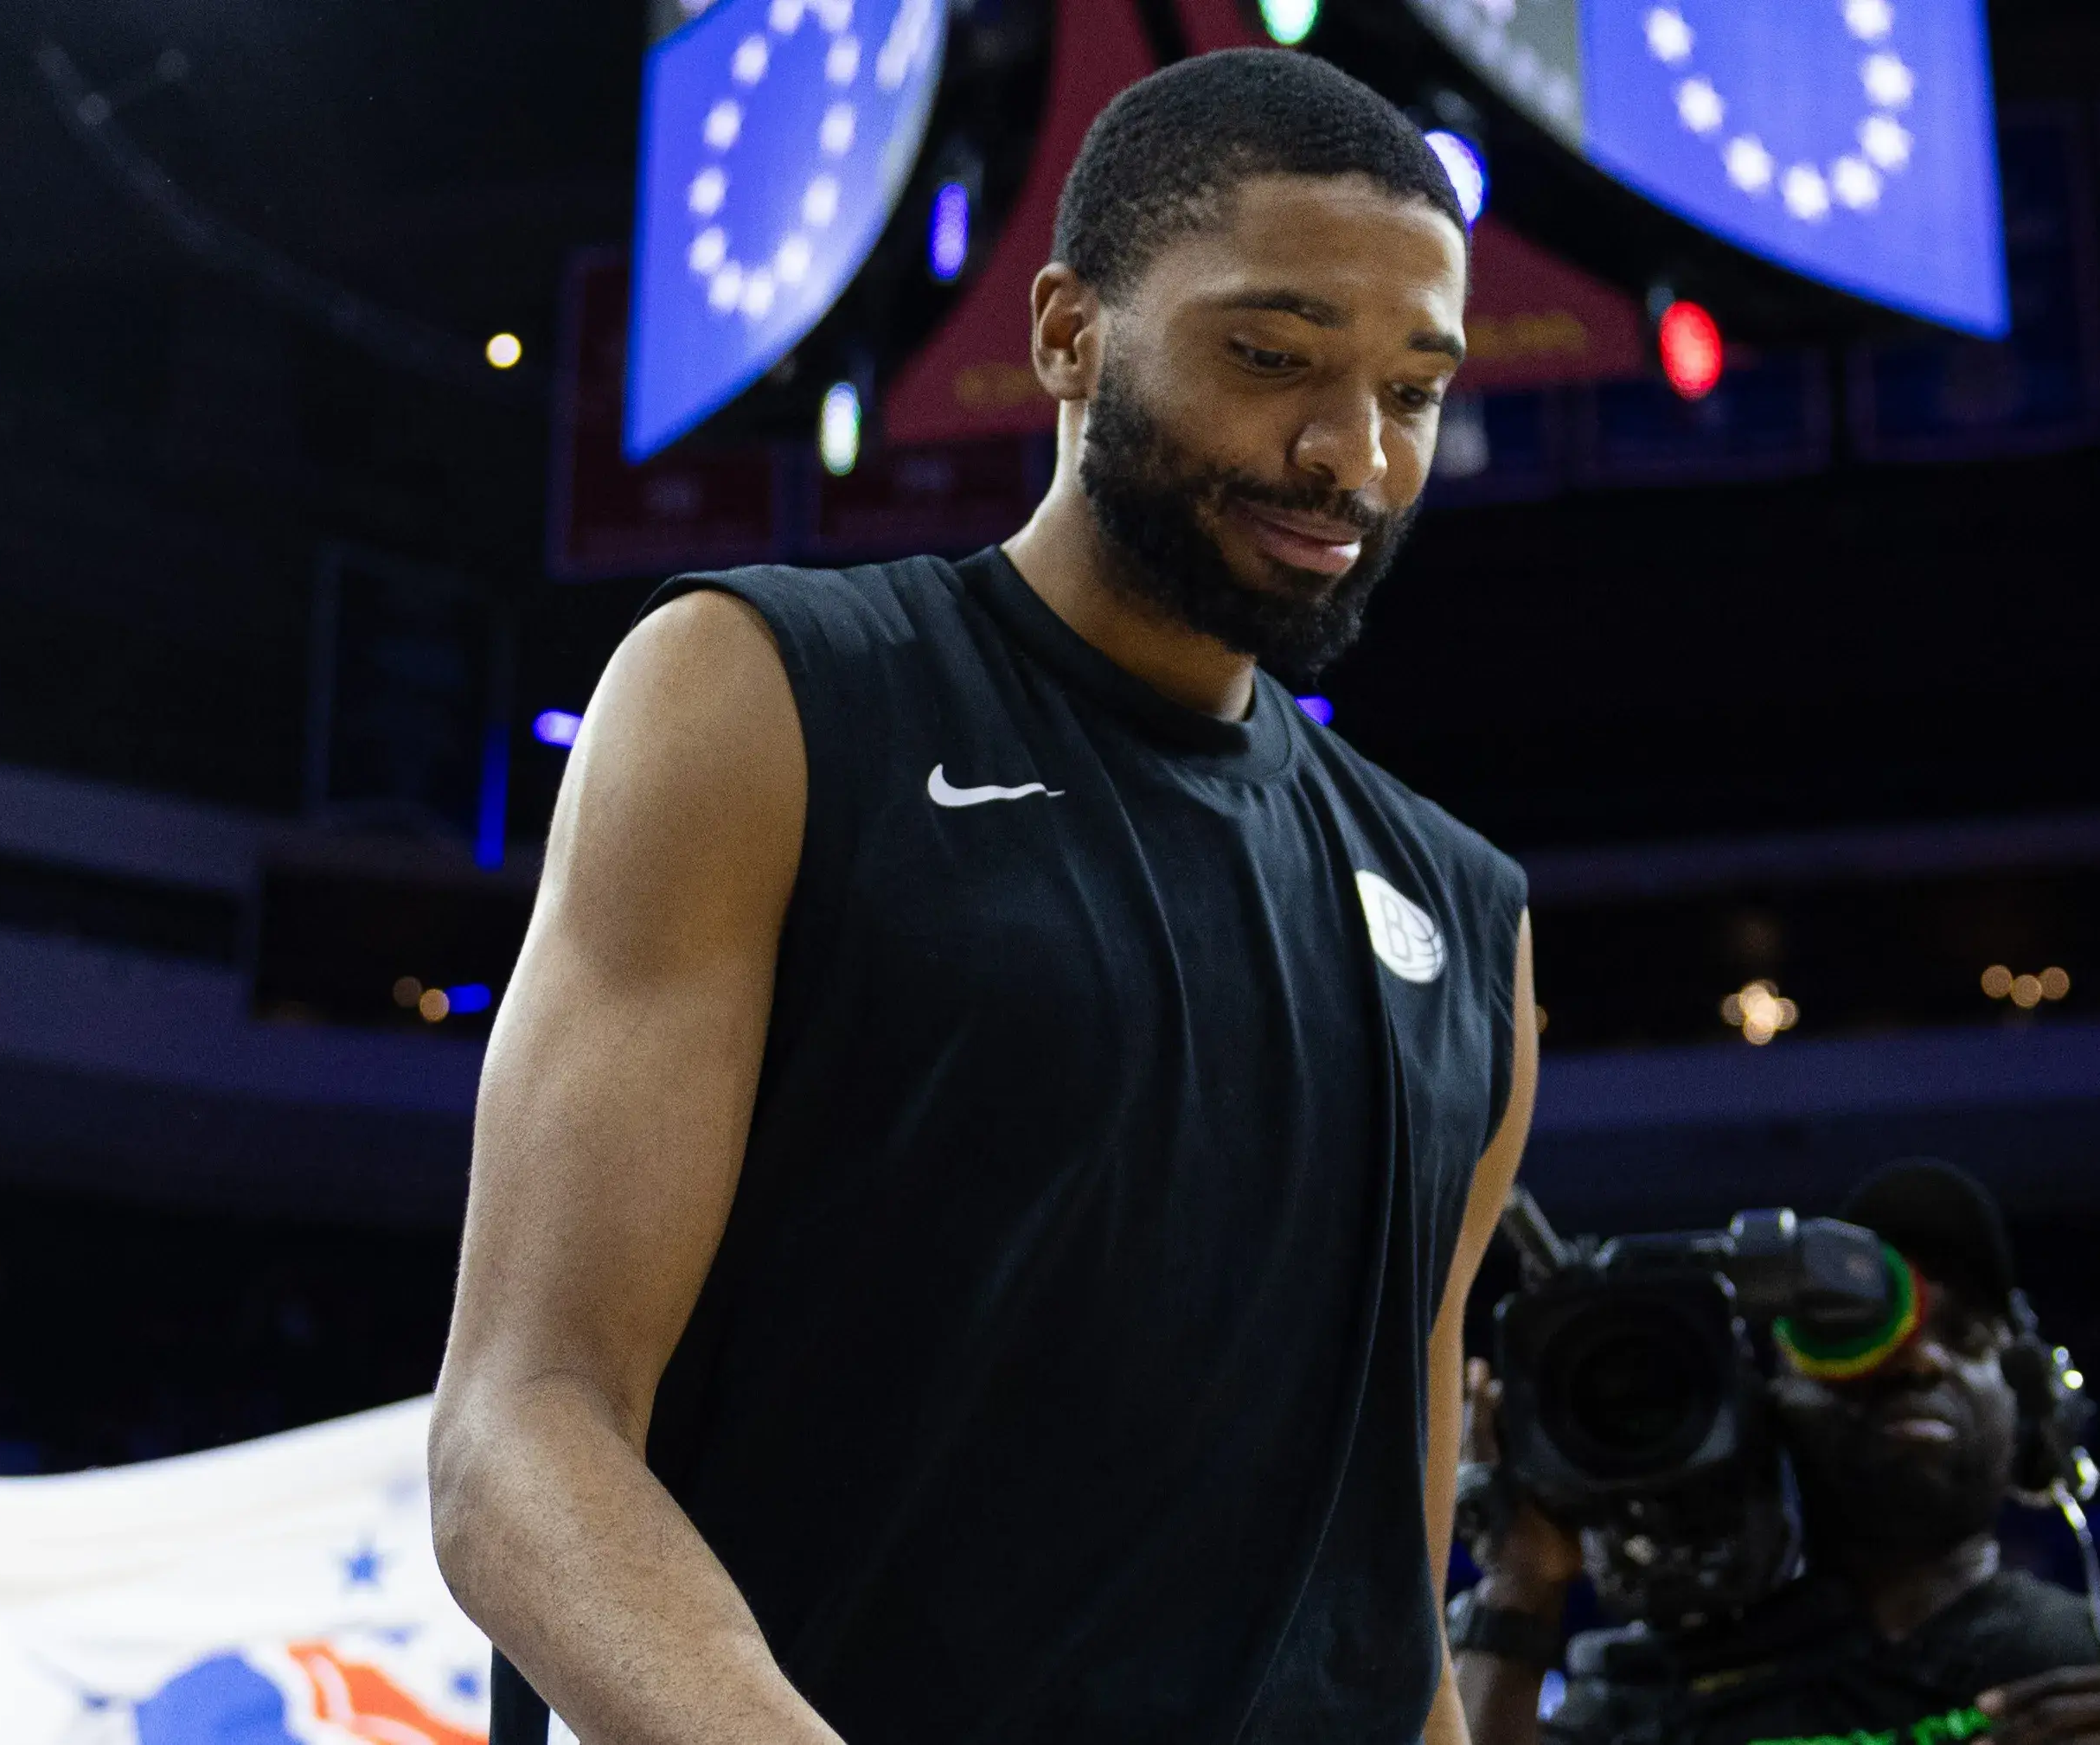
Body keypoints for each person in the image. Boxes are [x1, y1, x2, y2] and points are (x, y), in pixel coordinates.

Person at [429, 47, 1538, 1745]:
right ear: (1068, 334)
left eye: (1414, 390)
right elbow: (523, 1427)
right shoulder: (770, 693)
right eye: (1271, 357)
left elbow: (1387, 1613)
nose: (1352, 455)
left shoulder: (1465, 919)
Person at [1454, 1161, 2100, 1745]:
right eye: (1850, 1341)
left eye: (1965, 1334)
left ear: (2036, 1412)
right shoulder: (1655, 1692)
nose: (1918, 1355)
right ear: (1768, 1408)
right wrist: (1523, 1581)